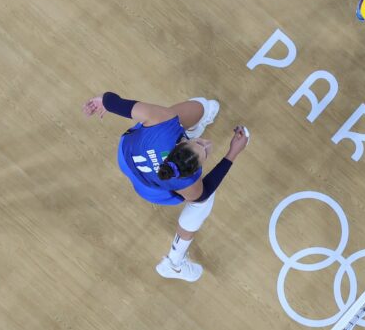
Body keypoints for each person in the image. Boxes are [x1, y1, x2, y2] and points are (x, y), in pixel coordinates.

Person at [83, 92, 248, 281]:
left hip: (126, 157)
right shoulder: (186, 182)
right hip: (150, 190)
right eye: (205, 149)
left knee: (203, 106)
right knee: (203, 202)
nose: (208, 143)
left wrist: (103, 102)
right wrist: (233, 152)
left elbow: (114, 101)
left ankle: (192, 131)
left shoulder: (164, 123)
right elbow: (203, 193)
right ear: (192, 172)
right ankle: (174, 263)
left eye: (201, 143)